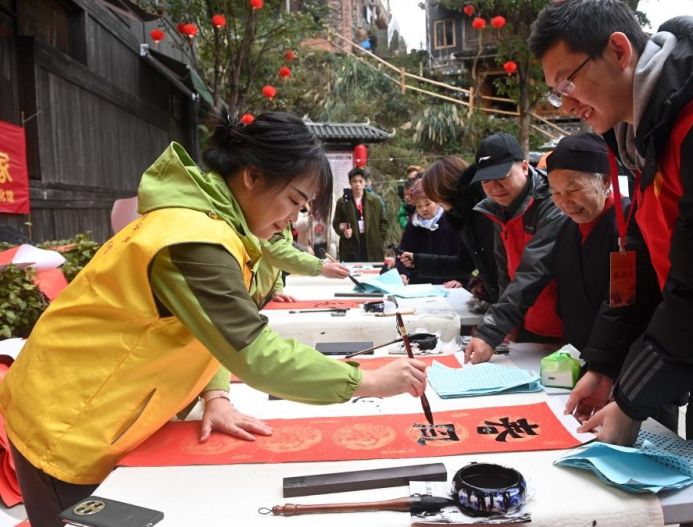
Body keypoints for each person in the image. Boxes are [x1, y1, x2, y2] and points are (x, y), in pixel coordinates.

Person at [0, 112, 428, 526]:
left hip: (91, 404)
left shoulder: (215, 226)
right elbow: (254, 352)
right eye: (294, 201)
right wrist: (368, 382)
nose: (290, 221)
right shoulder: (195, 239)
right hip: (67, 422)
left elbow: (206, 330)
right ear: (253, 176)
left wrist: (216, 396)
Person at [531, 1, 693, 522]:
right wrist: (606, 364)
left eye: (569, 81)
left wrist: (631, 402)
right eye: (556, 90)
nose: (566, 103)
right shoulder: (646, 138)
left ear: (618, 49)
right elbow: (651, 268)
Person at [464, 133, 673, 426]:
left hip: (634, 376)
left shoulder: (629, 227)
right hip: (588, 370)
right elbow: (535, 283)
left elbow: (622, 307)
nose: (565, 203)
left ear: (605, 181)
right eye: (556, 193)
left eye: (574, 189)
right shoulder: (567, 230)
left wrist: (601, 369)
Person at [463, 133, 567, 358]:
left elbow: (533, 271)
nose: (495, 187)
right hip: (529, 328)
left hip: (565, 331)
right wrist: (510, 329)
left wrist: (491, 330)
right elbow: (505, 277)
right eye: (486, 181)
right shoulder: (499, 209)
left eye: (502, 176)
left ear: (524, 167)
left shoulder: (554, 202)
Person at [400, 155, 499, 302]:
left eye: (436, 200)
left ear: (448, 191)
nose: (440, 205)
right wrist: (419, 261)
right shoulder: (463, 217)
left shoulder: (485, 214)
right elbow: (464, 263)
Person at [395, 179, 467, 285]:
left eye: (428, 204)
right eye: (419, 206)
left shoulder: (450, 222)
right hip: (417, 285)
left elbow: (463, 258)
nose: (424, 209)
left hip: (447, 285)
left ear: (437, 202)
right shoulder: (413, 225)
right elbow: (403, 253)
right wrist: (403, 274)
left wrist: (461, 280)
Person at [332, 167, 388, 262]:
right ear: (350, 183)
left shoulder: (375, 201)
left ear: (365, 183)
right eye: (354, 181)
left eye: (360, 181)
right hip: (350, 245)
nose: (357, 184)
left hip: (372, 244)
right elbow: (337, 223)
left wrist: (379, 238)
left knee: (372, 272)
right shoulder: (342, 202)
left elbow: (384, 222)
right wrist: (344, 232)